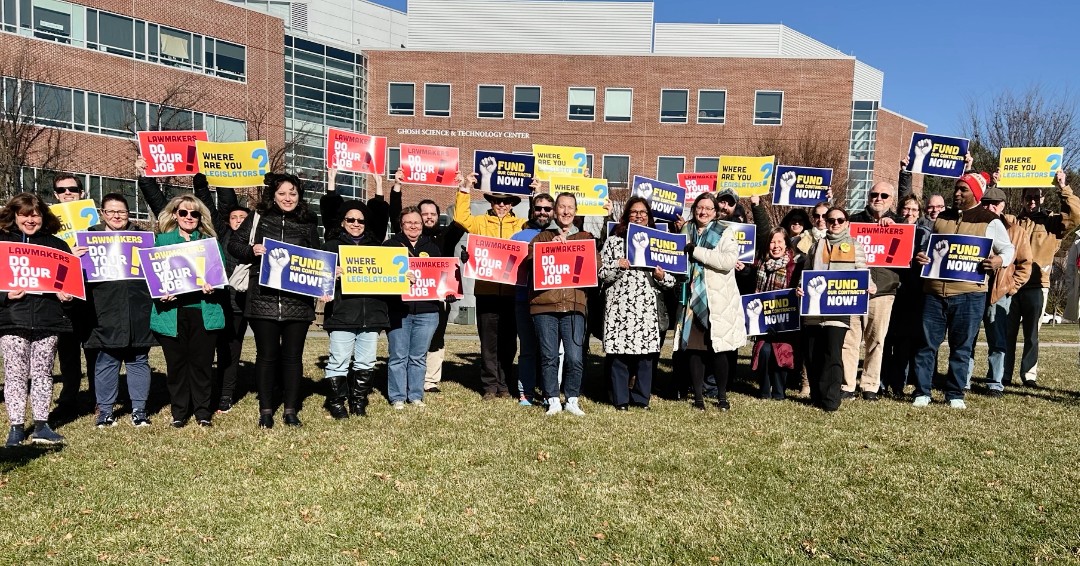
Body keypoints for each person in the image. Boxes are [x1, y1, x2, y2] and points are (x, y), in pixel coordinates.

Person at [912, 172, 1014, 409]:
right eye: (956, 189)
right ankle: (922, 391)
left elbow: (1008, 249)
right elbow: (929, 247)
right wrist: (922, 256)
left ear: (975, 193)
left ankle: (955, 393)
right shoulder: (942, 217)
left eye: (963, 190)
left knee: (962, 347)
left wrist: (999, 261)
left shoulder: (990, 221)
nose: (957, 193)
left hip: (970, 294)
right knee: (926, 344)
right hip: (934, 291)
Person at [229, 173, 321, 429]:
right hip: (263, 300)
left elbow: (318, 257)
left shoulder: (308, 223)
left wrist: (326, 276)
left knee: (293, 357)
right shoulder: (258, 218)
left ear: (299, 196)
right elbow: (234, 245)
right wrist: (252, 250)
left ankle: (291, 410)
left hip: (297, 303)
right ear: (273, 195)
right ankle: (266, 410)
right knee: (267, 356)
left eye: (293, 193)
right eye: (282, 193)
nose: (288, 198)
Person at [73, 194, 156, 428]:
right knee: (106, 360)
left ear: (128, 213)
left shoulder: (142, 238)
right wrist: (74, 258)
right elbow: (75, 276)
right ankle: (105, 411)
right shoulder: (89, 238)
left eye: (121, 211)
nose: (116, 216)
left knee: (138, 358)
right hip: (103, 308)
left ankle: (139, 410)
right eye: (111, 211)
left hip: (137, 307)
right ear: (102, 213)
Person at [1, 193, 72, 446]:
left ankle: (42, 425)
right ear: (14, 216)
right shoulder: (2, 244)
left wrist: (67, 295)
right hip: (12, 320)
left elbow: (69, 283)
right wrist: (4, 295)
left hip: (47, 319)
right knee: (15, 375)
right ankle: (16, 428)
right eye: (24, 214)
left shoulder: (57, 246)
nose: (30, 220)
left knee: (43, 373)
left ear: (44, 217)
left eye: (35, 214)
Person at [150, 195, 226, 428]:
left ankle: (203, 411)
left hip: (202, 311)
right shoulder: (162, 241)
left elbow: (220, 277)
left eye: (194, 214)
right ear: (175, 214)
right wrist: (160, 292)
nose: (189, 217)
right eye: (184, 213)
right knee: (176, 366)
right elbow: (152, 276)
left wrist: (213, 286)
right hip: (172, 312)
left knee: (202, 365)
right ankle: (179, 412)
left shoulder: (210, 242)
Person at [387, 170, 466, 394]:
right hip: (406, 301)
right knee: (406, 345)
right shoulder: (400, 240)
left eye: (433, 213)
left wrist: (462, 190)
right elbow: (396, 213)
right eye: (425, 213)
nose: (429, 217)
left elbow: (460, 221)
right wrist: (397, 188)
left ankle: (430, 380)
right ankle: (406, 385)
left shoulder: (443, 237)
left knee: (436, 337)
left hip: (438, 298)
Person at [453, 172, 527, 400]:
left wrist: (536, 191)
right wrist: (465, 189)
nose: (501, 205)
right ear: (491, 202)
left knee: (508, 343)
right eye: (497, 200)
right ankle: (489, 386)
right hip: (486, 292)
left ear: (512, 204)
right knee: (488, 342)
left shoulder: (521, 225)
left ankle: (504, 384)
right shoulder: (480, 222)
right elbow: (460, 218)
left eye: (506, 201)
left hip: (512, 292)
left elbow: (538, 225)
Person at [598, 197, 675, 410]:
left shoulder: (659, 243)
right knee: (619, 356)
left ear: (649, 217)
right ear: (626, 216)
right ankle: (620, 399)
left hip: (646, 310)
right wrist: (617, 264)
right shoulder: (614, 241)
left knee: (646, 358)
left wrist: (661, 276)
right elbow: (602, 274)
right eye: (634, 212)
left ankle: (641, 399)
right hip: (619, 309)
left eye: (643, 212)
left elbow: (672, 280)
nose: (639, 216)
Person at [1006, 170, 1080, 387]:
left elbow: (1076, 215)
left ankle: (1029, 375)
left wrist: (1063, 188)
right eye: (1028, 197)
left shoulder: (1052, 222)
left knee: (1032, 335)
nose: (1032, 201)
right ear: (1022, 199)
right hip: (1011, 285)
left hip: (1038, 285)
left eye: (1036, 197)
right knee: (1007, 333)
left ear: (1043, 199)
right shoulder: (1013, 221)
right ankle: (1004, 375)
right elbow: (989, 213)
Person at [530, 193, 598, 416]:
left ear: (575, 211)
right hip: (545, 305)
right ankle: (552, 399)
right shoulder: (541, 237)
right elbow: (529, 261)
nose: (566, 211)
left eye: (570, 207)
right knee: (549, 356)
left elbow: (595, 266)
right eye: (562, 207)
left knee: (575, 356)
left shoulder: (586, 237)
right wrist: (550, 247)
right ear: (555, 211)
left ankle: (572, 398)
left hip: (574, 305)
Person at [677, 193, 746, 411]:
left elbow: (727, 262)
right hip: (692, 298)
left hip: (717, 299)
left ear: (715, 212)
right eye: (699, 207)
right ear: (694, 208)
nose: (703, 212)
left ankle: (722, 396)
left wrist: (696, 251)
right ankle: (698, 397)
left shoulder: (724, 231)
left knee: (719, 351)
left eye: (708, 208)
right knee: (695, 349)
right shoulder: (685, 231)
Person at [321, 199, 389, 418]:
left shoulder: (378, 248)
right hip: (343, 313)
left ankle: (358, 402)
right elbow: (318, 279)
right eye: (351, 219)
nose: (356, 223)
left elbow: (390, 277)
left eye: (360, 220)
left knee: (366, 361)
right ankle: (337, 403)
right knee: (338, 360)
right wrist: (332, 275)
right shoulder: (331, 247)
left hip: (372, 313)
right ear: (342, 222)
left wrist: (403, 277)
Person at [800, 207, 872, 412]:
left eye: (840, 220)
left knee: (832, 353)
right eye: (831, 220)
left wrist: (870, 284)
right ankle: (816, 396)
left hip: (839, 310)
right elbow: (805, 273)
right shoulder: (815, 246)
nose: (835, 223)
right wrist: (800, 288)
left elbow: (863, 271)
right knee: (813, 354)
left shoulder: (855, 245)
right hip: (813, 310)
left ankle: (831, 400)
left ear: (847, 222)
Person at [842, 181, 901, 401]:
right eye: (874, 194)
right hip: (854, 289)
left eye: (884, 195)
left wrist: (893, 224)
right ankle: (846, 385)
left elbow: (907, 253)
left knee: (876, 341)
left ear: (891, 200)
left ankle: (869, 386)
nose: (878, 198)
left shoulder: (899, 223)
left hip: (884, 291)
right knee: (849, 340)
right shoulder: (853, 222)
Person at [384, 207, 442, 409]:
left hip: (428, 311)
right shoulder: (389, 246)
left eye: (417, 222)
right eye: (408, 222)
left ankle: (415, 395)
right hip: (399, 309)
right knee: (398, 356)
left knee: (418, 356)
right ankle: (398, 397)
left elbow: (442, 278)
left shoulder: (433, 248)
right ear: (401, 224)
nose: (413, 226)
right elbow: (382, 279)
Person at [978, 187, 1032, 396]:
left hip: (999, 291)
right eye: (985, 203)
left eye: (994, 203)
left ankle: (995, 383)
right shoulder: (974, 224)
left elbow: (1025, 264)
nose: (989, 207)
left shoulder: (1016, 231)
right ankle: (963, 381)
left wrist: (1011, 287)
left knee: (998, 339)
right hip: (973, 288)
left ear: (1002, 206)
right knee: (968, 338)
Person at [50, 174, 96, 419]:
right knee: (68, 354)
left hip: (92, 295)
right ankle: (69, 400)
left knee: (94, 351)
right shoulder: (48, 228)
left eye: (73, 189)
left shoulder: (94, 224)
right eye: (62, 189)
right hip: (64, 297)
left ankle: (98, 398)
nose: (68, 193)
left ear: (81, 193)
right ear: (55, 195)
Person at [882, 193, 931, 396]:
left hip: (913, 292)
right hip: (889, 288)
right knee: (885, 339)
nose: (909, 213)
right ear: (900, 209)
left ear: (919, 213)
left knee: (904, 341)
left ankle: (898, 384)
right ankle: (881, 381)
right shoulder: (889, 227)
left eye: (914, 210)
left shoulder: (924, 233)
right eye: (906, 208)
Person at [748, 227, 803, 400]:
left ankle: (779, 391)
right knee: (764, 351)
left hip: (786, 321)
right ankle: (764, 391)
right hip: (763, 320)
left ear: (786, 244)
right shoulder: (759, 264)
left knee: (781, 353)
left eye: (780, 241)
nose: (776, 245)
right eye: (772, 241)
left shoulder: (795, 266)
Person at [510, 192, 554, 406]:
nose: (543, 212)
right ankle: (525, 392)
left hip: (549, 301)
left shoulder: (560, 235)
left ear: (553, 212)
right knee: (527, 349)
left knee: (548, 351)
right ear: (532, 210)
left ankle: (549, 393)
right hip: (523, 300)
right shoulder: (519, 237)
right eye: (539, 208)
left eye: (547, 209)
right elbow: (504, 264)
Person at [216, 204, 250, 413]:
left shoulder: (258, 239)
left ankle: (276, 386)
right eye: (234, 217)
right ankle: (222, 394)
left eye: (243, 217)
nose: (238, 220)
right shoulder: (223, 238)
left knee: (267, 352)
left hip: (252, 304)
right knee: (226, 351)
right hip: (226, 304)